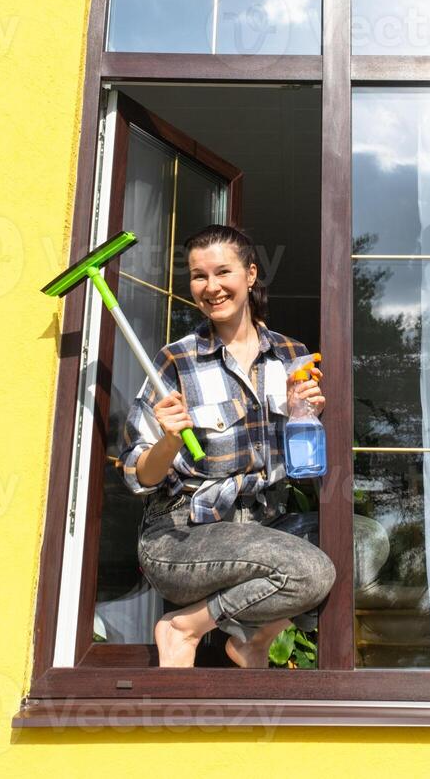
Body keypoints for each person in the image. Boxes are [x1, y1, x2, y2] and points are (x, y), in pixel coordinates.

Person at [118, 223, 337, 668]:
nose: (211, 287)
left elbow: (304, 470)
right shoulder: (177, 360)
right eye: (199, 276)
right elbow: (138, 475)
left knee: (365, 546)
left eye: (223, 272)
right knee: (311, 571)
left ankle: (250, 637)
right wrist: (169, 440)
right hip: (182, 536)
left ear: (251, 275)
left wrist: (302, 415)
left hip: (264, 526)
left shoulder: (293, 356)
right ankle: (185, 627)